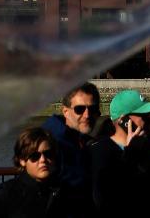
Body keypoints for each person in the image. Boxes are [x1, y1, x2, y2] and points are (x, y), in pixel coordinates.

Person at [89, 88, 150, 218]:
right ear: (123, 120)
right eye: (143, 116)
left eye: (149, 115)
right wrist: (130, 154)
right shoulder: (99, 152)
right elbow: (104, 199)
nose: (147, 121)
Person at [0, 127, 69, 218]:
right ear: (22, 160)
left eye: (48, 154)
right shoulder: (10, 192)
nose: (43, 160)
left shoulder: (65, 190)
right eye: (35, 156)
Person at [43, 82, 100, 212]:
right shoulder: (49, 143)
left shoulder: (83, 142)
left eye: (92, 109)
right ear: (65, 111)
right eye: (79, 109)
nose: (87, 115)